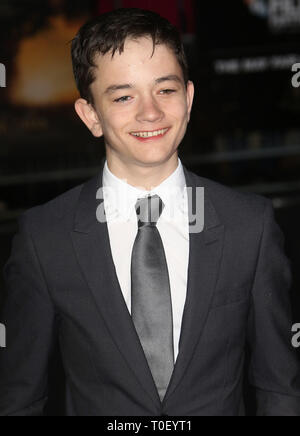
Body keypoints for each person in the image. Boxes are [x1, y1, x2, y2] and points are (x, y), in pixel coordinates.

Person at [0, 8, 299, 416]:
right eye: (123, 96)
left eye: (166, 90)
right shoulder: (44, 238)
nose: (150, 113)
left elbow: (279, 387)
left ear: (189, 98)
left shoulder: (251, 226)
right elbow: (20, 397)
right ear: (91, 116)